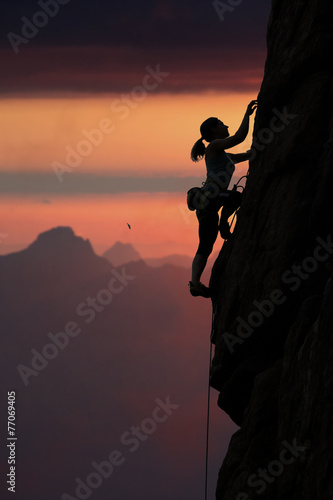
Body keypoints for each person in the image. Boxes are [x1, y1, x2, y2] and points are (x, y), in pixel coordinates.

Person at [188, 100, 257, 298]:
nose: (225, 126)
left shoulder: (220, 153)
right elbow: (239, 137)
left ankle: (195, 283)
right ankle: (224, 223)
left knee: (206, 246)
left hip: (207, 205)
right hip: (212, 198)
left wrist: (253, 153)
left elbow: (241, 155)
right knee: (236, 197)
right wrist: (247, 114)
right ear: (213, 130)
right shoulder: (214, 146)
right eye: (221, 124)